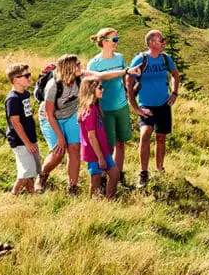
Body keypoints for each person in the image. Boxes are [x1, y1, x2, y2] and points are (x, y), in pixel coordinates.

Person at [38, 54, 138, 195]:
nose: (81, 66)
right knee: (58, 153)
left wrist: (126, 71)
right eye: (77, 64)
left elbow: (102, 75)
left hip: (71, 116)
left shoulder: (81, 77)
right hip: (51, 118)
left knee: (74, 148)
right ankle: (43, 175)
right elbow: (49, 113)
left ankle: (72, 187)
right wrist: (60, 137)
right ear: (69, 68)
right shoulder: (53, 86)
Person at [128, 29, 180, 186]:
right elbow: (129, 82)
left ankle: (159, 169)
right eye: (161, 40)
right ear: (152, 43)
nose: (164, 42)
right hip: (146, 105)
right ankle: (143, 172)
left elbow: (175, 75)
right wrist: (135, 106)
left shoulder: (165, 59)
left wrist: (174, 93)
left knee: (161, 137)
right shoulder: (140, 59)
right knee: (145, 134)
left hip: (163, 104)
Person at [87, 28, 132, 187]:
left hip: (121, 106)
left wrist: (126, 90)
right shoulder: (94, 63)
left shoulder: (120, 58)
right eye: (114, 40)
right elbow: (90, 87)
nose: (117, 42)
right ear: (104, 42)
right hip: (104, 109)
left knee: (121, 143)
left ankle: (118, 175)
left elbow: (124, 75)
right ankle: (105, 177)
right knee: (108, 146)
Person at [78, 77, 120, 199]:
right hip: (94, 153)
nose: (103, 89)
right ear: (91, 89)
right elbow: (91, 136)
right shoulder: (89, 111)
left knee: (115, 174)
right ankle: (94, 203)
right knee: (95, 180)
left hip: (102, 150)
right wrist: (100, 157)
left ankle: (110, 199)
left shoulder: (95, 107)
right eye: (100, 87)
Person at [4, 63, 39, 195]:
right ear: (15, 80)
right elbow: (15, 123)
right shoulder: (13, 99)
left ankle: (32, 195)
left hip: (30, 137)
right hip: (20, 141)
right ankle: (13, 195)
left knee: (31, 169)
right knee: (26, 172)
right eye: (26, 75)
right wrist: (27, 143)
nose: (29, 78)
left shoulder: (25, 94)